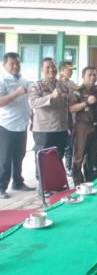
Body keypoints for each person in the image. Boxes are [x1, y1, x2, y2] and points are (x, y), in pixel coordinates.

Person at [0, 52, 33, 199]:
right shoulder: (2, 80)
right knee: (4, 159)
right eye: (12, 63)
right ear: (4, 65)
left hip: (22, 125)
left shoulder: (23, 80)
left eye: (17, 63)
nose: (15, 66)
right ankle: (1, 187)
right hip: (7, 126)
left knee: (19, 156)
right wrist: (17, 94)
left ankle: (18, 182)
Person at [69, 66, 97, 185]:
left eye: (94, 75)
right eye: (89, 75)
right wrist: (86, 102)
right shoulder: (77, 91)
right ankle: (78, 183)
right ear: (83, 76)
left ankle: (91, 181)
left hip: (96, 126)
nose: (92, 77)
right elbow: (72, 108)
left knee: (93, 156)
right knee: (79, 156)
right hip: (82, 127)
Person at [29, 58, 70, 158]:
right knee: (44, 160)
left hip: (61, 129)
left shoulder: (62, 85)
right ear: (42, 69)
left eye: (53, 66)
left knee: (58, 158)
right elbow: (32, 103)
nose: (51, 69)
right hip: (44, 130)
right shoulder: (38, 85)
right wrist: (51, 96)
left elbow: (67, 106)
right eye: (47, 67)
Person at [58, 60, 77, 175]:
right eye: (69, 69)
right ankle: (62, 168)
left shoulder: (73, 84)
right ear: (62, 70)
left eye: (72, 70)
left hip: (73, 118)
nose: (71, 72)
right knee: (63, 145)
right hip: (61, 119)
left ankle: (68, 167)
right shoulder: (57, 84)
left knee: (71, 144)